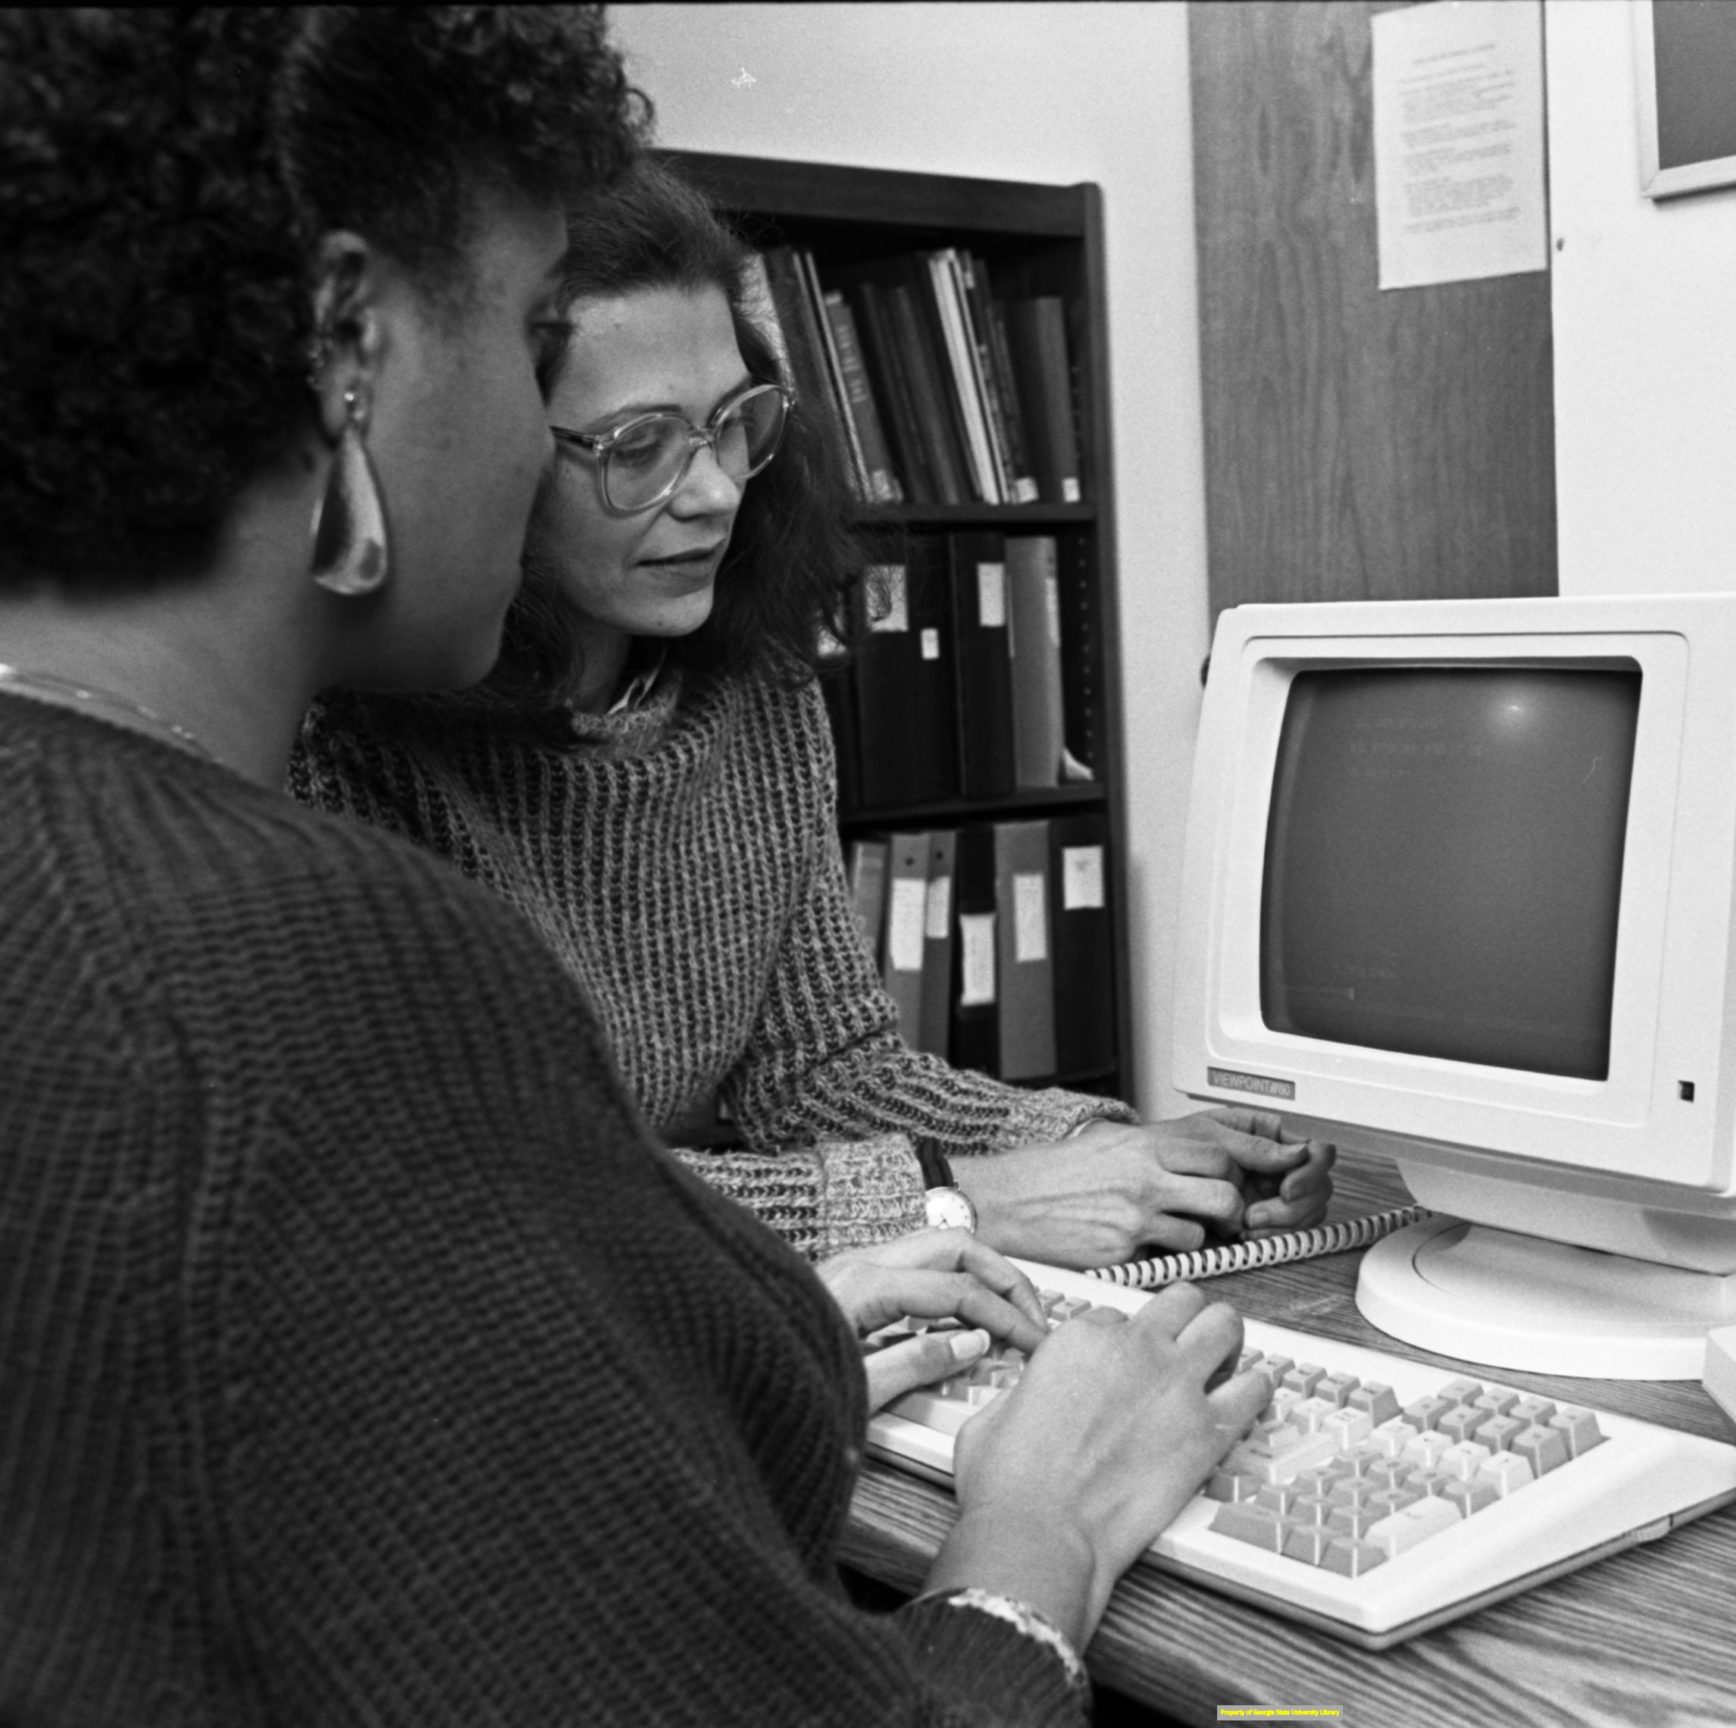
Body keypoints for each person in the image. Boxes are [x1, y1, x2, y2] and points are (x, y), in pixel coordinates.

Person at [0, 11, 1268, 1724]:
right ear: (347, 344)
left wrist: (838, 1289)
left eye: (731, 424)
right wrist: (1049, 1516)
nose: (543, 449)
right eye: (534, 355)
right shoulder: (338, 958)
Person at [291, 156, 1335, 1269]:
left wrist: (1119, 1154)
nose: (715, 492)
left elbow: (821, 1069)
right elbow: (472, 1197)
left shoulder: (758, 691)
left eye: (734, 422)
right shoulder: (337, 746)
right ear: (483, 455)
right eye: (637, 446)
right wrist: (958, 1203)